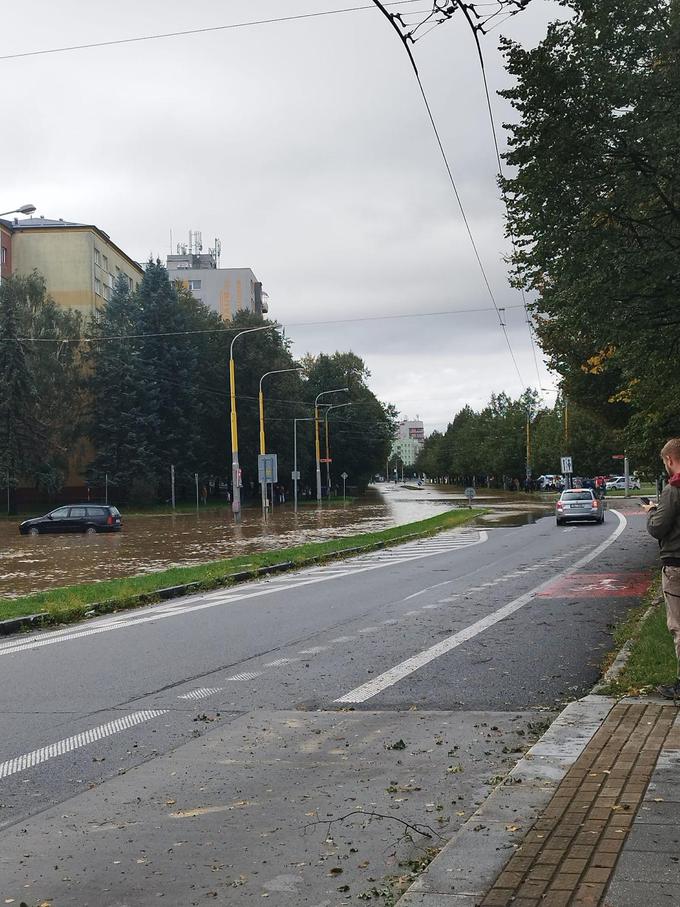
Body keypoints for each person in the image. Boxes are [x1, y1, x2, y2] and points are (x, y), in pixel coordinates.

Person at [643, 437, 680, 700]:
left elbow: (658, 527)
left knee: (678, 625)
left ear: (669, 459)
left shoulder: (673, 489)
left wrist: (651, 513)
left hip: (677, 565)